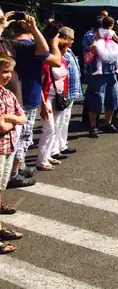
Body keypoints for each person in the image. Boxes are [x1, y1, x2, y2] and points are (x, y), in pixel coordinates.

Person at [0, 10, 60, 188]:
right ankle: (11, 175)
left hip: (12, 100)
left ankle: (12, 173)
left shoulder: (8, 44)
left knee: (17, 139)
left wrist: (34, 28)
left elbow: (43, 51)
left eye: (2, 18)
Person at [0, 54, 26, 253]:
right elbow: (1, 127)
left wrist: (8, 117)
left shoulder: (8, 94)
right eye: (3, 72)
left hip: (8, 148)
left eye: (9, 71)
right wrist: (12, 119)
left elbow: (23, 117)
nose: (7, 76)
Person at [37, 42, 70, 170]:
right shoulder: (46, 63)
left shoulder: (63, 60)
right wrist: (43, 103)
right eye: (66, 47)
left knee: (55, 127)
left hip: (57, 96)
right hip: (47, 97)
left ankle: (47, 155)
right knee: (49, 128)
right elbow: (40, 82)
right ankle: (41, 160)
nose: (68, 49)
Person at [59, 27, 81, 155]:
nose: (72, 41)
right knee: (60, 120)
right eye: (71, 39)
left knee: (65, 119)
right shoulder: (62, 53)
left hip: (71, 91)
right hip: (64, 91)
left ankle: (62, 145)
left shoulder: (69, 51)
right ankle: (56, 148)